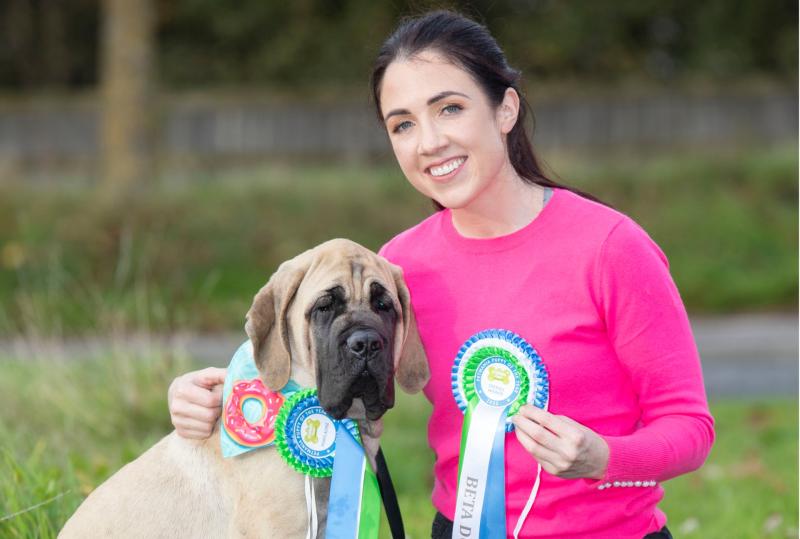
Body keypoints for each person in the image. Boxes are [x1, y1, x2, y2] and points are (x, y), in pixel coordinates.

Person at [167, 10, 714, 539]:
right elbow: (317, 391)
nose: (429, 142)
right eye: (402, 124)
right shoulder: (392, 272)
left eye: (449, 109)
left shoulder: (612, 248)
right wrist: (212, 397)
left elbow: (690, 428)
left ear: (506, 110)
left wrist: (605, 458)